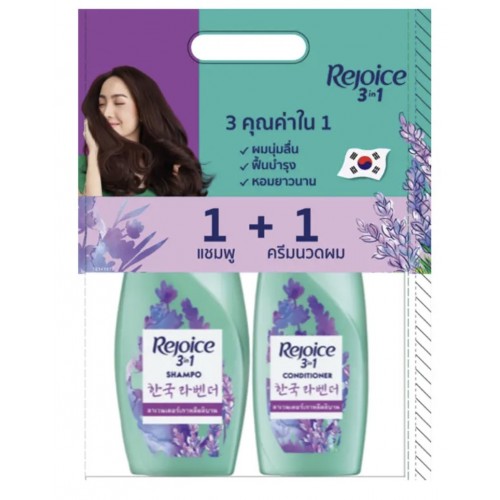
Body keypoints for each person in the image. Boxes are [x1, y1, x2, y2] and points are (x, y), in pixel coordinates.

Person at [80, 66, 211, 196]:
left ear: (143, 110)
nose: (106, 113)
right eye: (101, 104)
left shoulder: (171, 171)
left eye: (119, 103)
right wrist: (93, 157)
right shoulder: (78, 169)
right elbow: (92, 209)